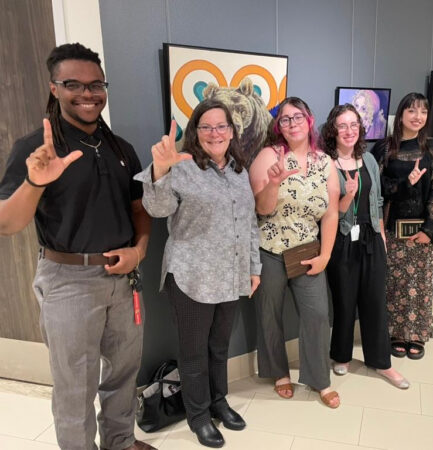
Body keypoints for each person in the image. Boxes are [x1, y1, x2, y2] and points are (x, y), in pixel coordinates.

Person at [0, 43, 153, 450]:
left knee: (124, 373)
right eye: (74, 85)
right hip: (68, 281)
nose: (88, 94)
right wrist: (36, 182)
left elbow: (139, 210)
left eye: (96, 85)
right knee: (75, 388)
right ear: (54, 88)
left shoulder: (121, 147)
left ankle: (120, 442)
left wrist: (138, 251)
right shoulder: (36, 149)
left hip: (124, 279)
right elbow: (7, 223)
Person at [134, 100, 261, 448]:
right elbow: (157, 209)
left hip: (231, 276)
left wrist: (254, 267)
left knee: (219, 348)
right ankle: (199, 416)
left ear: (232, 132)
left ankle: (219, 402)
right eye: (206, 127)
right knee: (193, 353)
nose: (215, 133)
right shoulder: (182, 166)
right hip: (191, 276)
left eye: (222, 126)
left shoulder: (240, 170)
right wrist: (159, 172)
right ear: (196, 132)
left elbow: (249, 223)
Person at [249, 97, 341, 408]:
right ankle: (278, 373)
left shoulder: (325, 162)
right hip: (270, 250)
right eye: (285, 119)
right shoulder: (267, 156)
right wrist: (273, 183)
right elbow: (261, 209)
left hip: (307, 252)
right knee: (269, 313)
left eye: (297, 116)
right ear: (279, 126)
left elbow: (330, 213)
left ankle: (319, 379)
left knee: (317, 314)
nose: (292, 123)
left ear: (309, 119)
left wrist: (325, 255)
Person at [320, 104, 409, 389]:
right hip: (341, 240)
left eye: (353, 125)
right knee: (345, 302)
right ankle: (341, 355)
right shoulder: (325, 164)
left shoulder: (369, 160)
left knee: (374, 302)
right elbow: (325, 210)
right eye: (342, 125)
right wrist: (347, 198)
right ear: (333, 130)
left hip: (371, 237)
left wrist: (381, 233)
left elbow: (378, 200)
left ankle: (381, 362)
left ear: (360, 129)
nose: (348, 131)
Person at [372, 92, 433, 361]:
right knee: (393, 282)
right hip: (391, 227)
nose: (418, 117)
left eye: (423, 112)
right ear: (400, 114)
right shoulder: (384, 148)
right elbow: (377, 189)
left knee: (420, 282)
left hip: (422, 229)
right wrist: (405, 183)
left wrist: (430, 229)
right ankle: (394, 333)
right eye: (412, 111)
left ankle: (416, 335)